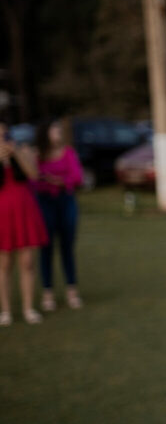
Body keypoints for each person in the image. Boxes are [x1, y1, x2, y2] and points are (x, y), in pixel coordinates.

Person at [34, 119, 85, 312]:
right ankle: (48, 293)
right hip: (45, 202)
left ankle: (72, 290)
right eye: (54, 130)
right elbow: (32, 180)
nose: (58, 134)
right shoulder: (37, 155)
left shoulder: (68, 153)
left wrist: (61, 181)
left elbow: (77, 177)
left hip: (66, 201)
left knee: (67, 247)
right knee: (46, 248)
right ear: (45, 133)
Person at [0, 122, 48, 326]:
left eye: (4, 134)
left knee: (27, 262)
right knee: (4, 264)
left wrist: (16, 154)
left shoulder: (24, 149)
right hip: (3, 213)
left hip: (24, 209)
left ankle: (29, 308)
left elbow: (34, 174)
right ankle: (6, 311)